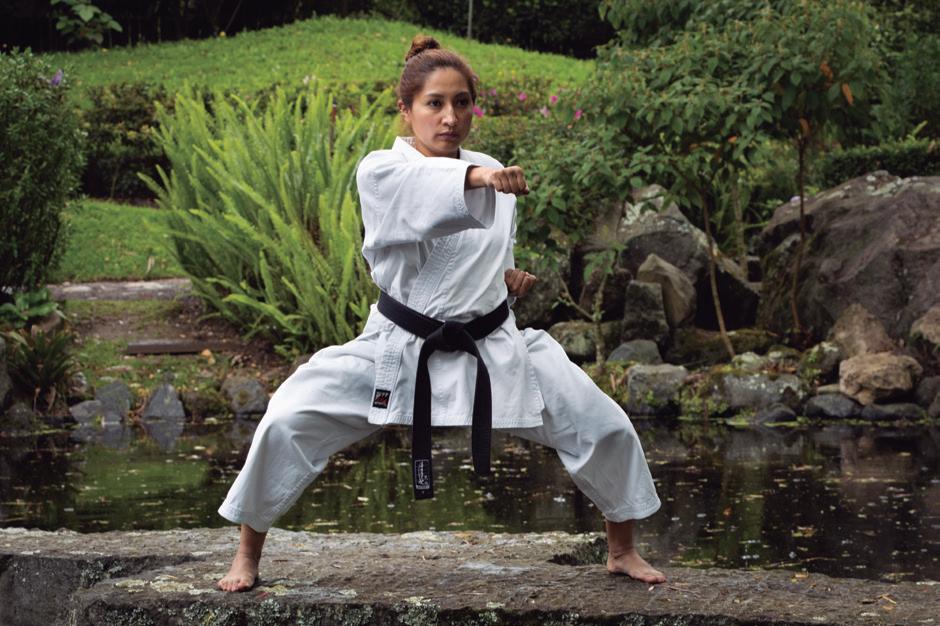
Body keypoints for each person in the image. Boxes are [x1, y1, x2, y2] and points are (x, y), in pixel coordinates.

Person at [216, 35, 666, 593]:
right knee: (288, 417)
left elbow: (485, 260)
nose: (450, 117)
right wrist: (477, 179)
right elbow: (422, 197)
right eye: (434, 103)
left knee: (602, 423)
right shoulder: (382, 170)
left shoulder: (492, 170)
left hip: (491, 346)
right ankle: (246, 553)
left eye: (461, 102)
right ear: (406, 110)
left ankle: (622, 549)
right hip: (399, 347)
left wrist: (509, 280)